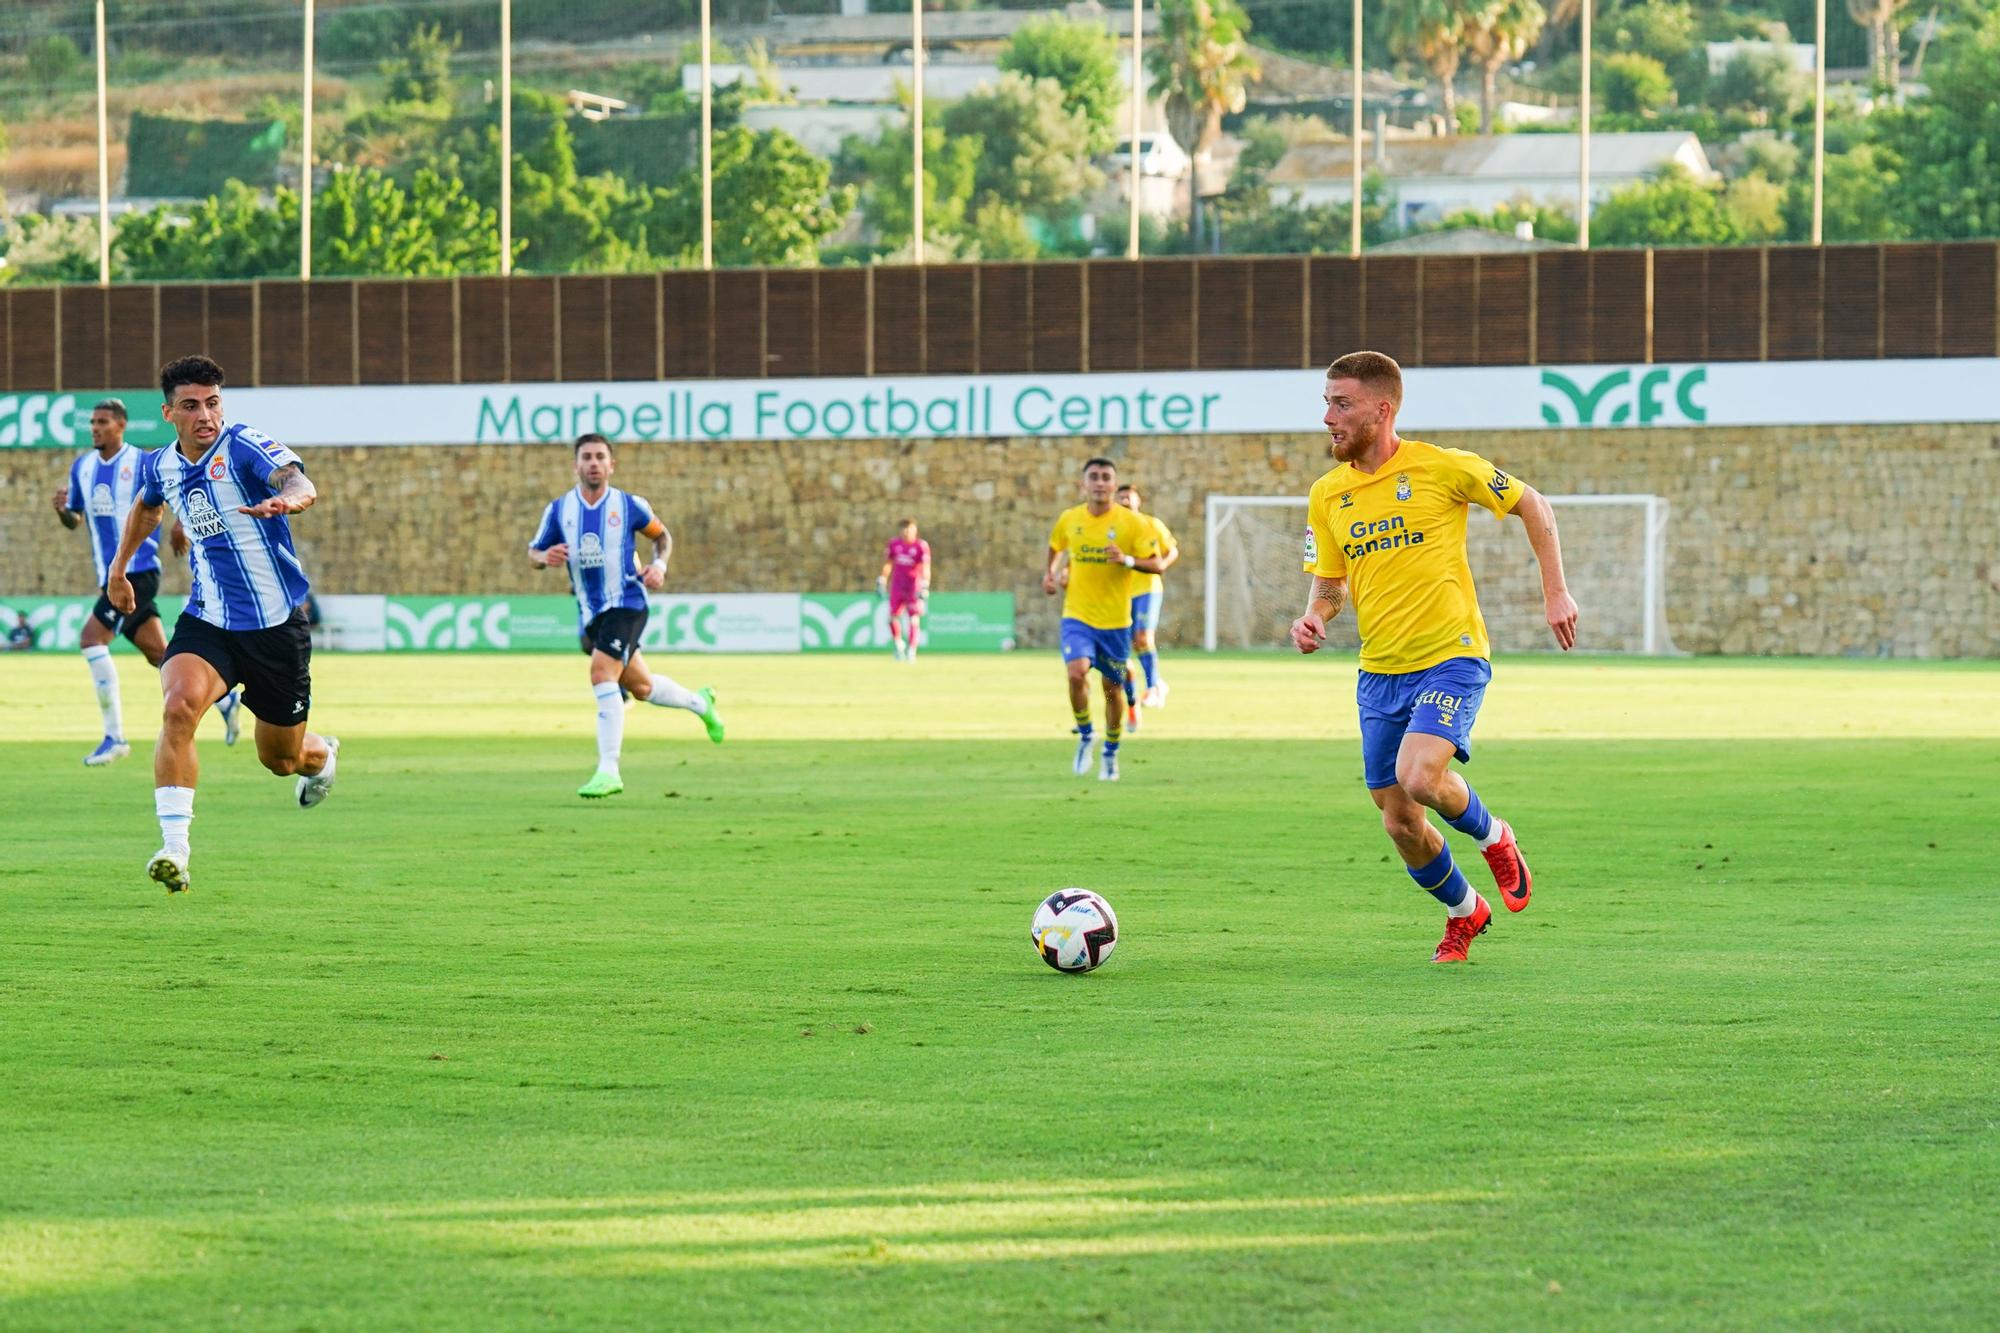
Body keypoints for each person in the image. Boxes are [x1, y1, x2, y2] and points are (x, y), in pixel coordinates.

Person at [1290, 351, 1578, 964]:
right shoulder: (1327, 494)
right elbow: (1330, 581)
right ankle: (1464, 912)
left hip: (1452, 656)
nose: (1327, 418)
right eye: (1326, 402)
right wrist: (1318, 614)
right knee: (1399, 823)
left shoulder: (1443, 467)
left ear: (1381, 409)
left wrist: (1555, 591)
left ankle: (1496, 836)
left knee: (1422, 778)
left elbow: (1535, 504)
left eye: (1340, 404)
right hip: (1379, 671)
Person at [107, 356, 339, 894]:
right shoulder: (159, 464)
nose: (205, 415)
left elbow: (296, 478)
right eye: (191, 405)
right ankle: (175, 850)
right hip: (208, 618)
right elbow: (148, 507)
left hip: (275, 627)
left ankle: (322, 757)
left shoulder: (243, 446)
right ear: (169, 413)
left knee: (282, 760)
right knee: (178, 706)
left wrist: (292, 499)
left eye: (213, 403)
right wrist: (119, 568)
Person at [529, 432, 724, 798]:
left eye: (600, 457)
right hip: (591, 611)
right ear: (576, 465)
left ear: (611, 465)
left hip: (629, 602)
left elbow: (662, 537)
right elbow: (534, 554)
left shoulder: (629, 506)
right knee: (642, 687)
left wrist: (660, 566)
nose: (593, 463)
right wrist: (545, 557)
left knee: (602, 672)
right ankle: (701, 703)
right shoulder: (559, 511)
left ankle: (609, 770)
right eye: (586, 457)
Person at [55, 397, 241, 765]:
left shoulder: (141, 462)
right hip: (110, 577)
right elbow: (75, 519)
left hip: (138, 571)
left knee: (92, 640)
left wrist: (179, 525)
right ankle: (225, 698)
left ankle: (115, 737)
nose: (95, 427)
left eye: (103, 421)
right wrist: (63, 512)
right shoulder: (83, 468)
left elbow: (178, 493)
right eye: (92, 422)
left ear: (121, 426)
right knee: (160, 653)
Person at [1042, 457, 1169, 782]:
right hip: (1077, 616)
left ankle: (1111, 751)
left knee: (1112, 689)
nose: (1100, 483)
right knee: (1075, 672)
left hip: (1115, 623)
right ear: (1083, 484)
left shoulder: (1132, 523)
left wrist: (1126, 559)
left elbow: (1157, 565)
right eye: (1094, 477)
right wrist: (1050, 575)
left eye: (1106, 478)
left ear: (1114, 485)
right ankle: (1086, 734)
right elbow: (1056, 545)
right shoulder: (1070, 519)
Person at [1114, 483, 1179, 730]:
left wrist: (1161, 565)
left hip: (1148, 588)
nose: (1124, 501)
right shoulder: (1115, 528)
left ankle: (1152, 686)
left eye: (1128, 497)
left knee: (1142, 637)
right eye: (1120, 498)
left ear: (1137, 500)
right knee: (1131, 643)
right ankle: (1156, 684)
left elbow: (1172, 550)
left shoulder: (1151, 524)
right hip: (1123, 592)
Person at [877, 518, 931, 662]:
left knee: (914, 618)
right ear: (900, 530)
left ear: (915, 530)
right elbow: (888, 563)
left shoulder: (921, 546)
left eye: (910, 528)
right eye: (904, 529)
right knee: (892, 617)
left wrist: (925, 585)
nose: (907, 532)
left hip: (914, 586)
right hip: (897, 586)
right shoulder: (895, 544)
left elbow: (926, 567)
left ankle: (911, 650)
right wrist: (882, 579)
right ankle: (898, 643)